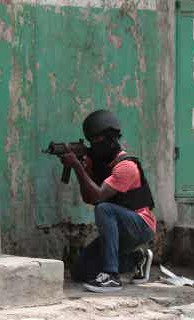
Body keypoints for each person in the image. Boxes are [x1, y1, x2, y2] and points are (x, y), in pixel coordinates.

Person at [60, 109, 156, 293]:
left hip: (141, 226)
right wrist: (84, 170)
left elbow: (98, 198)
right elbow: (88, 198)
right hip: (121, 228)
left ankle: (111, 276)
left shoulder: (126, 166)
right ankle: (137, 259)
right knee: (80, 271)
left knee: (104, 209)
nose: (94, 145)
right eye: (91, 141)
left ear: (111, 139)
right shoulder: (102, 164)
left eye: (97, 140)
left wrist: (77, 166)